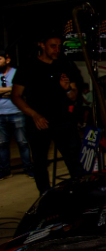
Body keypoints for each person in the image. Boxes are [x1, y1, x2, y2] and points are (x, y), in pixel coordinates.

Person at [11, 35, 84, 193]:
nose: (56, 50)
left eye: (59, 46)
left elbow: (73, 95)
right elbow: (16, 96)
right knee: (40, 162)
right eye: (52, 46)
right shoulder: (28, 66)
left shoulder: (65, 65)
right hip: (39, 121)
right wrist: (34, 115)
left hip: (63, 120)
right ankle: (45, 196)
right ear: (42, 45)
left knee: (74, 160)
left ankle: (79, 193)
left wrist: (67, 89)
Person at [0, 49, 34, 180]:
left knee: (22, 142)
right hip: (0, 113)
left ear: (7, 59)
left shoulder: (16, 72)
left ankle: (28, 168)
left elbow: (21, 90)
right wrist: (11, 90)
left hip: (17, 112)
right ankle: (5, 171)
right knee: (2, 144)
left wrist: (7, 91)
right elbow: (14, 91)